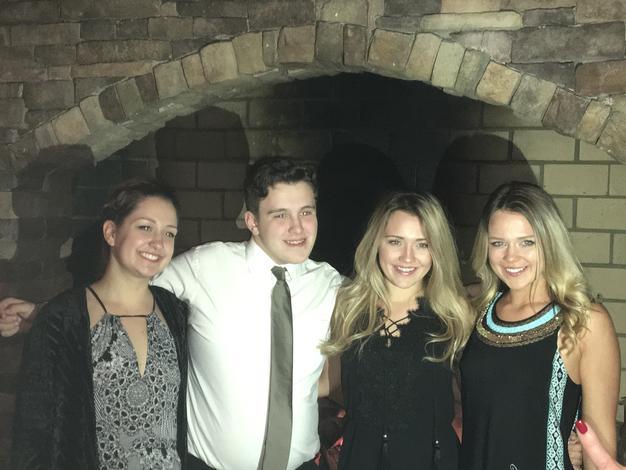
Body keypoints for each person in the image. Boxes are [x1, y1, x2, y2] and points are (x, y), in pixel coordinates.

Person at [2, 158, 343, 470]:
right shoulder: (205, 266)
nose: (297, 228)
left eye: (306, 212)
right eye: (280, 215)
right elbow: (128, 286)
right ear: (252, 221)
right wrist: (44, 314)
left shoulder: (331, 284)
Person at [10, 178, 189, 470]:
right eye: (145, 227)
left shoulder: (174, 312)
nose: (158, 243)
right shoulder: (62, 318)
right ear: (111, 232)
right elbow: (32, 434)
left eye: (169, 233)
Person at [460, 181, 620, 470]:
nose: (511, 257)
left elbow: (600, 453)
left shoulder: (584, 321)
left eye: (527, 242)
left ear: (549, 241)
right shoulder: (475, 312)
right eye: (498, 243)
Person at [322, 192, 473, 470]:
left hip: (431, 460)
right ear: (376, 243)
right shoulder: (348, 305)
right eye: (395, 242)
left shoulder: (456, 313)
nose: (407, 257)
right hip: (360, 457)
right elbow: (329, 383)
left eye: (422, 244)